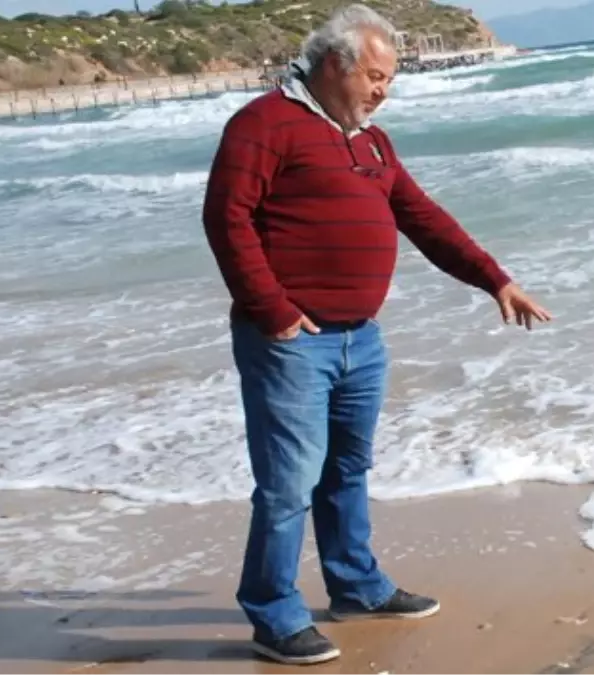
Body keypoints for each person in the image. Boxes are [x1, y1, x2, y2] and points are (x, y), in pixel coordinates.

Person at [200, 4, 552, 666]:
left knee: (347, 469)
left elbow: (423, 217)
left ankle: (356, 587)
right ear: (336, 65)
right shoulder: (262, 126)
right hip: (290, 341)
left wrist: (494, 279)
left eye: (389, 78)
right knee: (288, 482)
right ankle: (274, 613)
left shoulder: (371, 142)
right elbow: (227, 219)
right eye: (377, 76)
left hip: (360, 340)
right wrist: (271, 306)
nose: (384, 89)